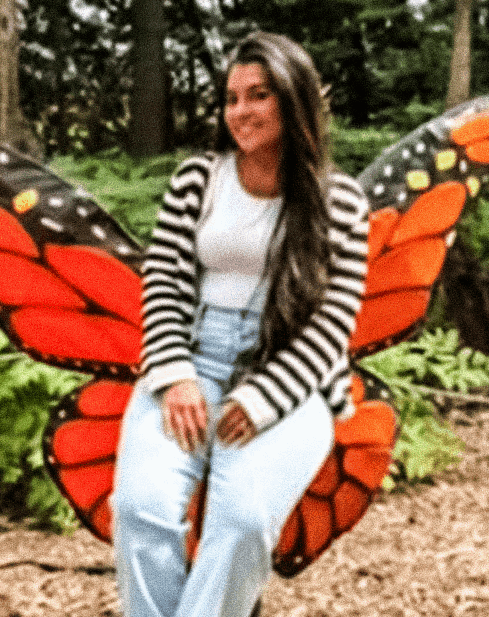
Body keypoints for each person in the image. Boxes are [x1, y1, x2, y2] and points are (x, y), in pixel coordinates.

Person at [110, 32, 370, 617]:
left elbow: (334, 322)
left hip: (292, 374)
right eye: (231, 98)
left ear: (294, 99)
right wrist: (175, 375)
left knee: (243, 521)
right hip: (192, 359)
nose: (240, 111)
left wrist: (261, 398)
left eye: (258, 95)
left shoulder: (340, 200)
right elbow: (164, 281)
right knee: (140, 509)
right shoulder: (199, 179)